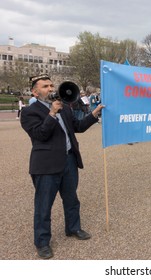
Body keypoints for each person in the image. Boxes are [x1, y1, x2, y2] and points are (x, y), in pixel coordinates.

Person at [20, 74, 104, 259]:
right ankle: (42, 243)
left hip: (69, 161)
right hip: (46, 166)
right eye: (45, 86)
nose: (50, 89)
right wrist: (52, 113)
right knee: (44, 205)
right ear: (35, 91)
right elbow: (40, 134)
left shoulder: (65, 108)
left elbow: (79, 126)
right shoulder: (29, 112)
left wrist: (95, 113)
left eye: (51, 85)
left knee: (71, 199)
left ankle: (73, 228)